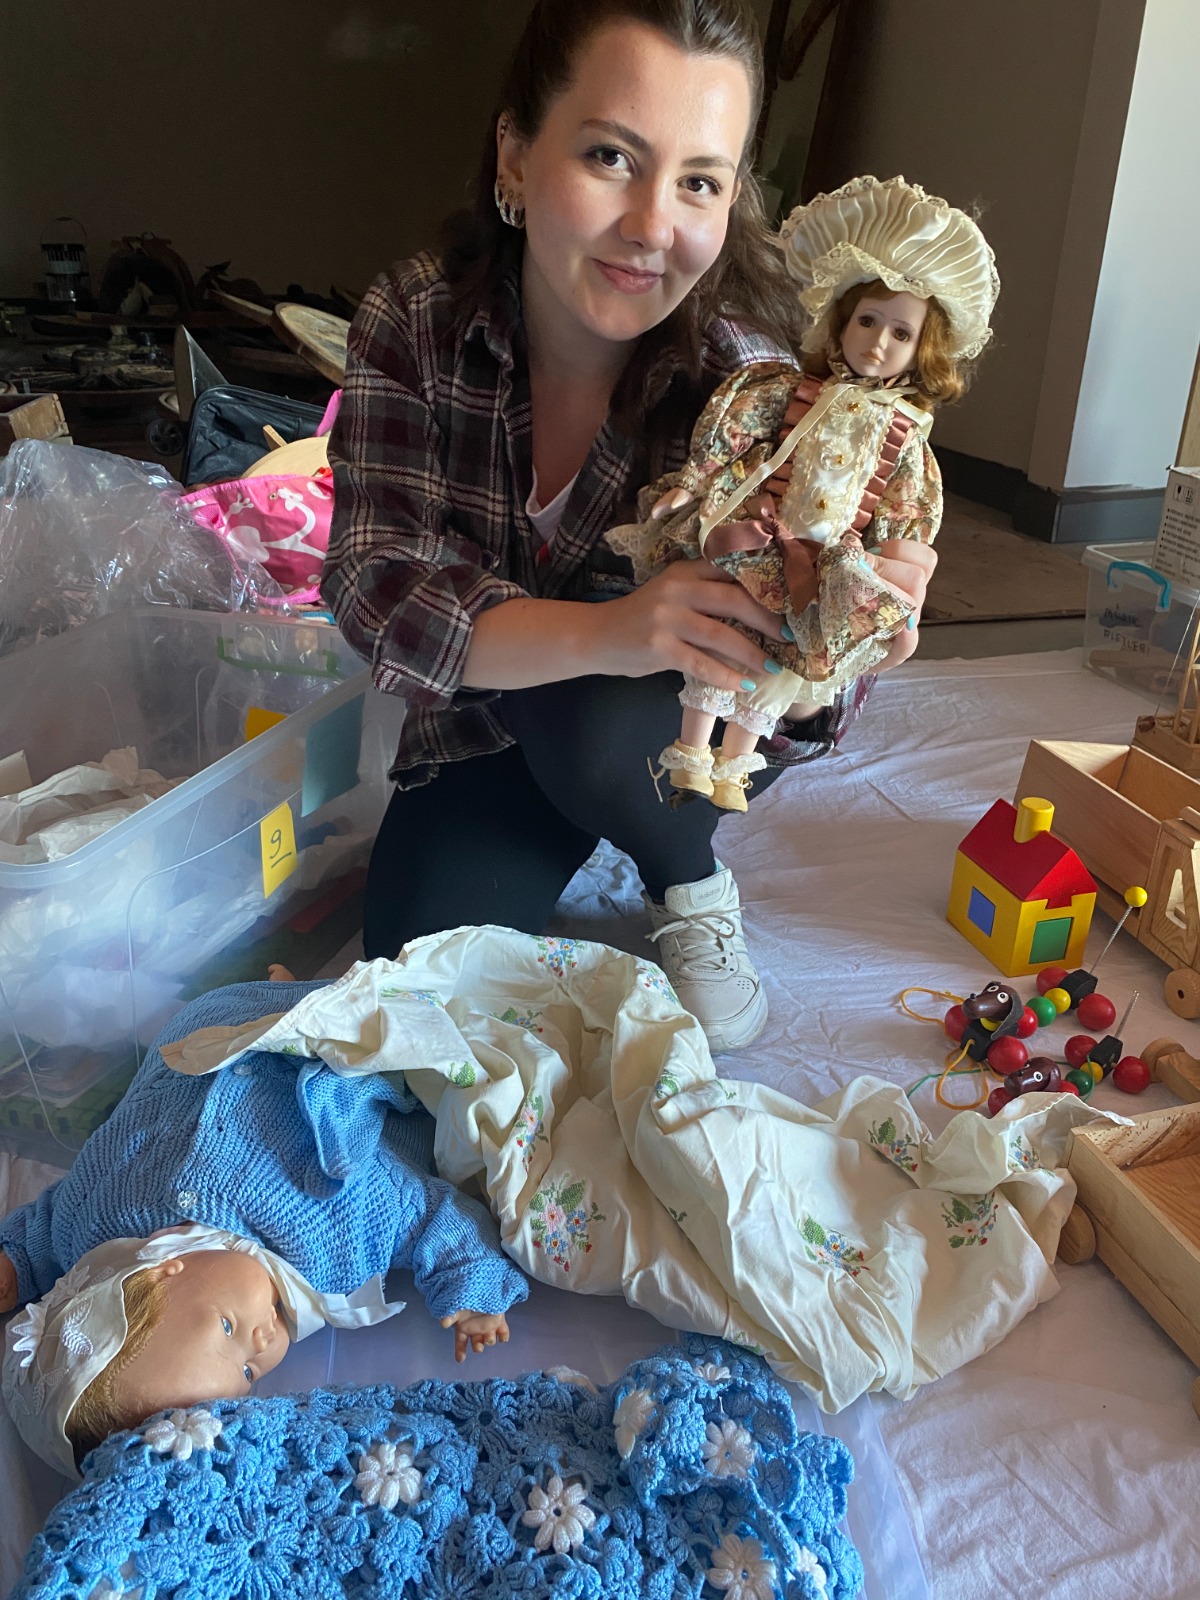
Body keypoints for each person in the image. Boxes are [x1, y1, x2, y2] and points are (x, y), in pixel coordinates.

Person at [321, 0, 936, 1054]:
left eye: (699, 182)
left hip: (649, 724)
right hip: (485, 712)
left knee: (596, 721)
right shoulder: (418, 319)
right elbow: (374, 585)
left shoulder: (759, 388)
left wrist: (848, 629)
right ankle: (583, 784)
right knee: (416, 965)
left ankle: (684, 875)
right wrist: (609, 628)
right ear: (515, 156)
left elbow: (805, 700)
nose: (654, 226)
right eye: (611, 157)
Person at [0, 979, 528, 1479]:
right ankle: (305, 990)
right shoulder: (331, 1246)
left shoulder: (89, 1229)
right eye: (250, 1373)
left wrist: (18, 1260)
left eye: (228, 1328)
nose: (263, 1341)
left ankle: (294, 987)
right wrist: (472, 1283)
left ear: (161, 1270)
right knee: (387, 1044)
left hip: (218, 1021)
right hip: (331, 1050)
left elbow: (49, 1217)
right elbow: (429, 1212)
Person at [607, 174, 998, 809]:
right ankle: (691, 751)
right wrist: (694, 486)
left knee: (776, 663)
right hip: (761, 533)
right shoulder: (787, 390)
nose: (878, 342)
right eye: (867, 321)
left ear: (921, 350)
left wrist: (892, 581)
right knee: (721, 635)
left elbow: (904, 514)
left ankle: (734, 768)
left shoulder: (906, 439)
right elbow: (737, 435)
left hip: (825, 569)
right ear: (840, 321)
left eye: (900, 334)